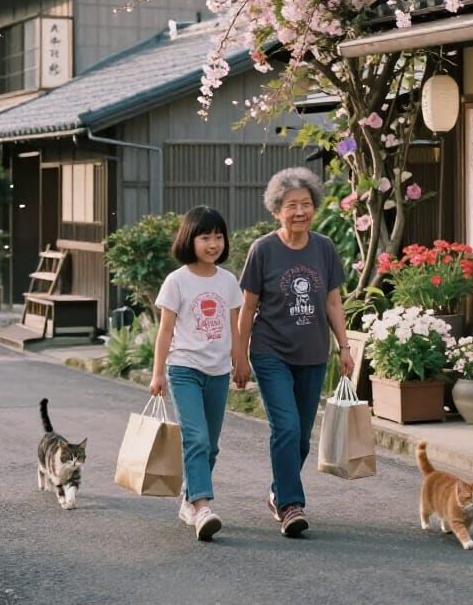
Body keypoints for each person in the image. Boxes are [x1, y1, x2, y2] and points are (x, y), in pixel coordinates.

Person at [235, 167, 353, 538]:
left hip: (314, 352)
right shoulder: (264, 250)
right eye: (291, 205)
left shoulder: (324, 247)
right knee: (284, 427)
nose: (299, 211)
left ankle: (277, 490)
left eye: (305, 204)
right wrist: (240, 356)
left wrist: (345, 347)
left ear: (314, 207)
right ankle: (291, 505)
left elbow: (333, 301)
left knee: (300, 436)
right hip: (271, 351)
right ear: (276, 210)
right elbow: (247, 307)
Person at [150, 206, 244, 542]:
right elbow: (165, 331)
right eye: (205, 237)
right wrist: (157, 372)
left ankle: (189, 499)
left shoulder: (228, 281)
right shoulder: (177, 280)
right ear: (190, 239)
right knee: (197, 438)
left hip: (218, 372)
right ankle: (203, 507)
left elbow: (234, 327)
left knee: (211, 446)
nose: (213, 243)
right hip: (184, 369)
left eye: (218, 236)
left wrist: (240, 360)